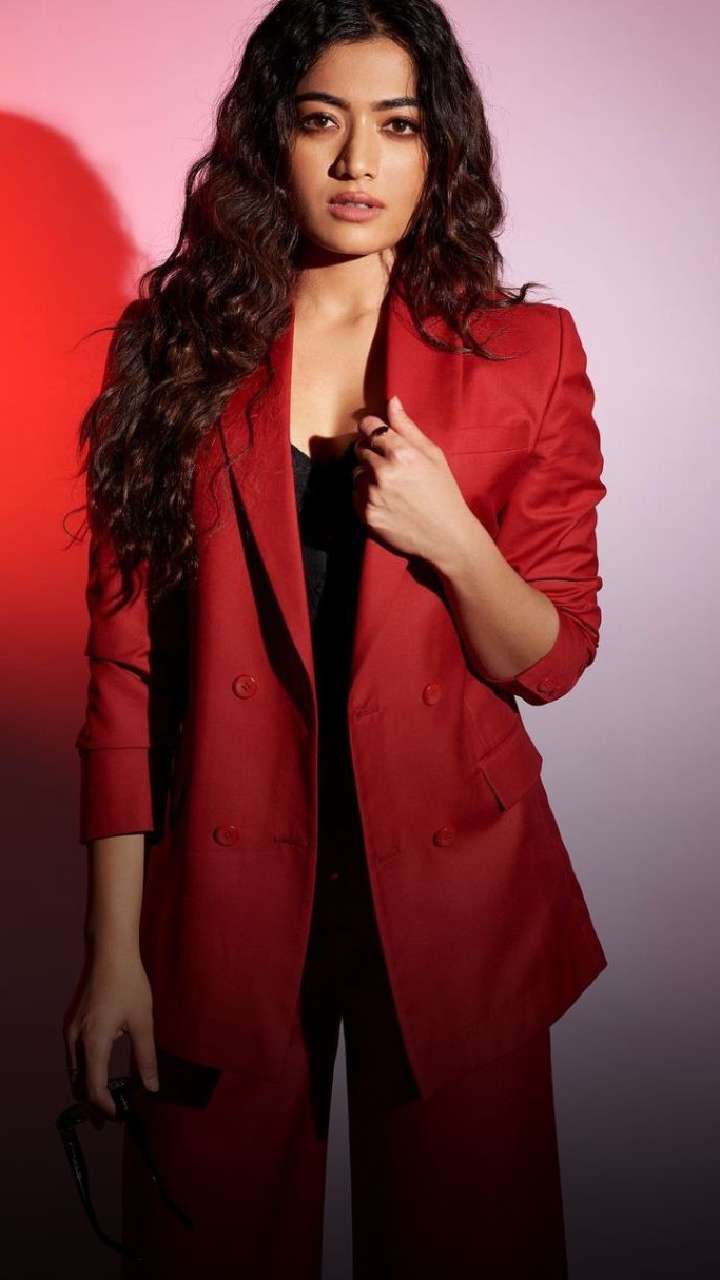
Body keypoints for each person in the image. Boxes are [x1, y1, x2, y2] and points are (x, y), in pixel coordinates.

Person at [63, 1, 608, 1275]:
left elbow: (552, 653)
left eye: (398, 126)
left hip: (456, 894)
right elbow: (125, 673)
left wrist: (451, 533)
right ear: (273, 140)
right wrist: (112, 956)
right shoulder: (175, 355)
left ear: (439, 150)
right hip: (229, 888)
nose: (360, 161)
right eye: (323, 121)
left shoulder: (526, 353)